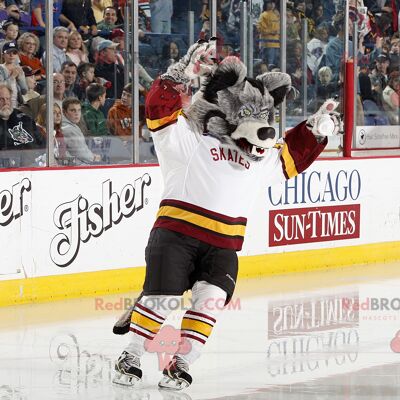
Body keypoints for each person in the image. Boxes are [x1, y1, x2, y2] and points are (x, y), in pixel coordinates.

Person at [0, 83, 44, 166]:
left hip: (34, 165)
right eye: (1, 99)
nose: (6, 102)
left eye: (7, 99)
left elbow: (41, 142)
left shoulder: (24, 118)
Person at [61, 97, 101, 164]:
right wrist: (93, 157)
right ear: (64, 112)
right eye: (73, 110)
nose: (77, 113)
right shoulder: (69, 129)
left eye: (79, 110)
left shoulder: (72, 125)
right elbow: (81, 154)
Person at [0, 41, 28, 108]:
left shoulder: (18, 69)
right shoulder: (1, 68)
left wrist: (20, 78)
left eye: (14, 53)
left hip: (17, 105)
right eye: (8, 53)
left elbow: (24, 91)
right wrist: (12, 77)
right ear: (3, 55)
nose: (11, 55)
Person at [257, 0, 280, 67]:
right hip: (268, 44)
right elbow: (260, 28)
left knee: (275, 64)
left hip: (277, 44)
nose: (272, 4)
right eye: (270, 3)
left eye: (273, 3)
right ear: (266, 4)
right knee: (269, 64)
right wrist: (270, 31)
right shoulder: (263, 15)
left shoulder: (276, 15)